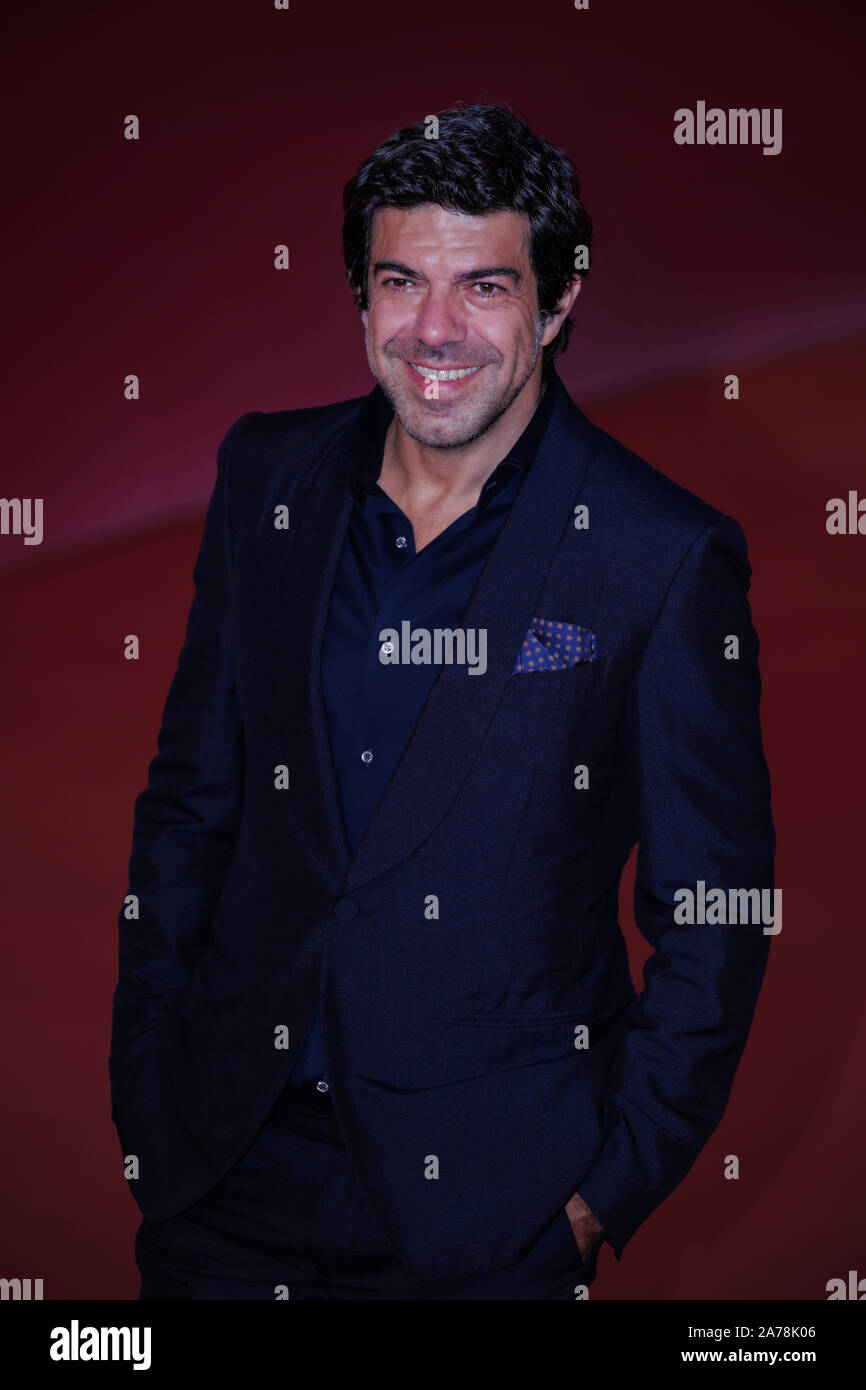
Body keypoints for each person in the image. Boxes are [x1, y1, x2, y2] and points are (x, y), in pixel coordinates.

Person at [109, 103, 775, 1300]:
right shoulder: (266, 475)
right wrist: (149, 1068)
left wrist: (597, 1196)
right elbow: (190, 800)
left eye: (483, 287)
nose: (432, 330)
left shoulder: (659, 556)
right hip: (223, 1171)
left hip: (490, 1216)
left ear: (558, 301)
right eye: (398, 280)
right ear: (358, 296)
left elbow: (717, 913)